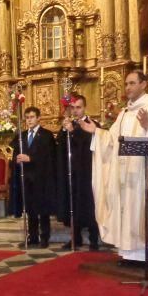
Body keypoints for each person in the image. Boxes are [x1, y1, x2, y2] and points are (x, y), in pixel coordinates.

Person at [79, 71, 148, 265]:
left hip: (146, 174)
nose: (128, 88)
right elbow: (113, 140)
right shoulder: (124, 113)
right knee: (128, 211)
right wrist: (97, 133)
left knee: (146, 212)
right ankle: (130, 255)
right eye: (126, 84)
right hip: (127, 177)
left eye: (132, 83)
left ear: (144, 84)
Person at [56, 94, 100, 251]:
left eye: (78, 107)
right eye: (72, 108)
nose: (75, 111)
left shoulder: (92, 124)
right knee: (72, 204)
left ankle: (94, 239)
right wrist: (64, 130)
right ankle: (76, 238)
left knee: (89, 205)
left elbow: (88, 143)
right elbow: (60, 144)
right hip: (71, 171)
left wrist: (73, 131)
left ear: (85, 107)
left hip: (87, 172)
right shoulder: (69, 124)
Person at [10, 106, 56, 249]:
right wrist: (16, 160)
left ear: (38, 118)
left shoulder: (46, 135)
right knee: (30, 210)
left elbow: (49, 157)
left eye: (32, 117)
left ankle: (44, 237)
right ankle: (33, 236)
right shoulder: (21, 136)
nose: (29, 120)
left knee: (43, 209)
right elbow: (15, 155)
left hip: (41, 178)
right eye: (27, 118)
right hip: (26, 179)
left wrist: (30, 158)